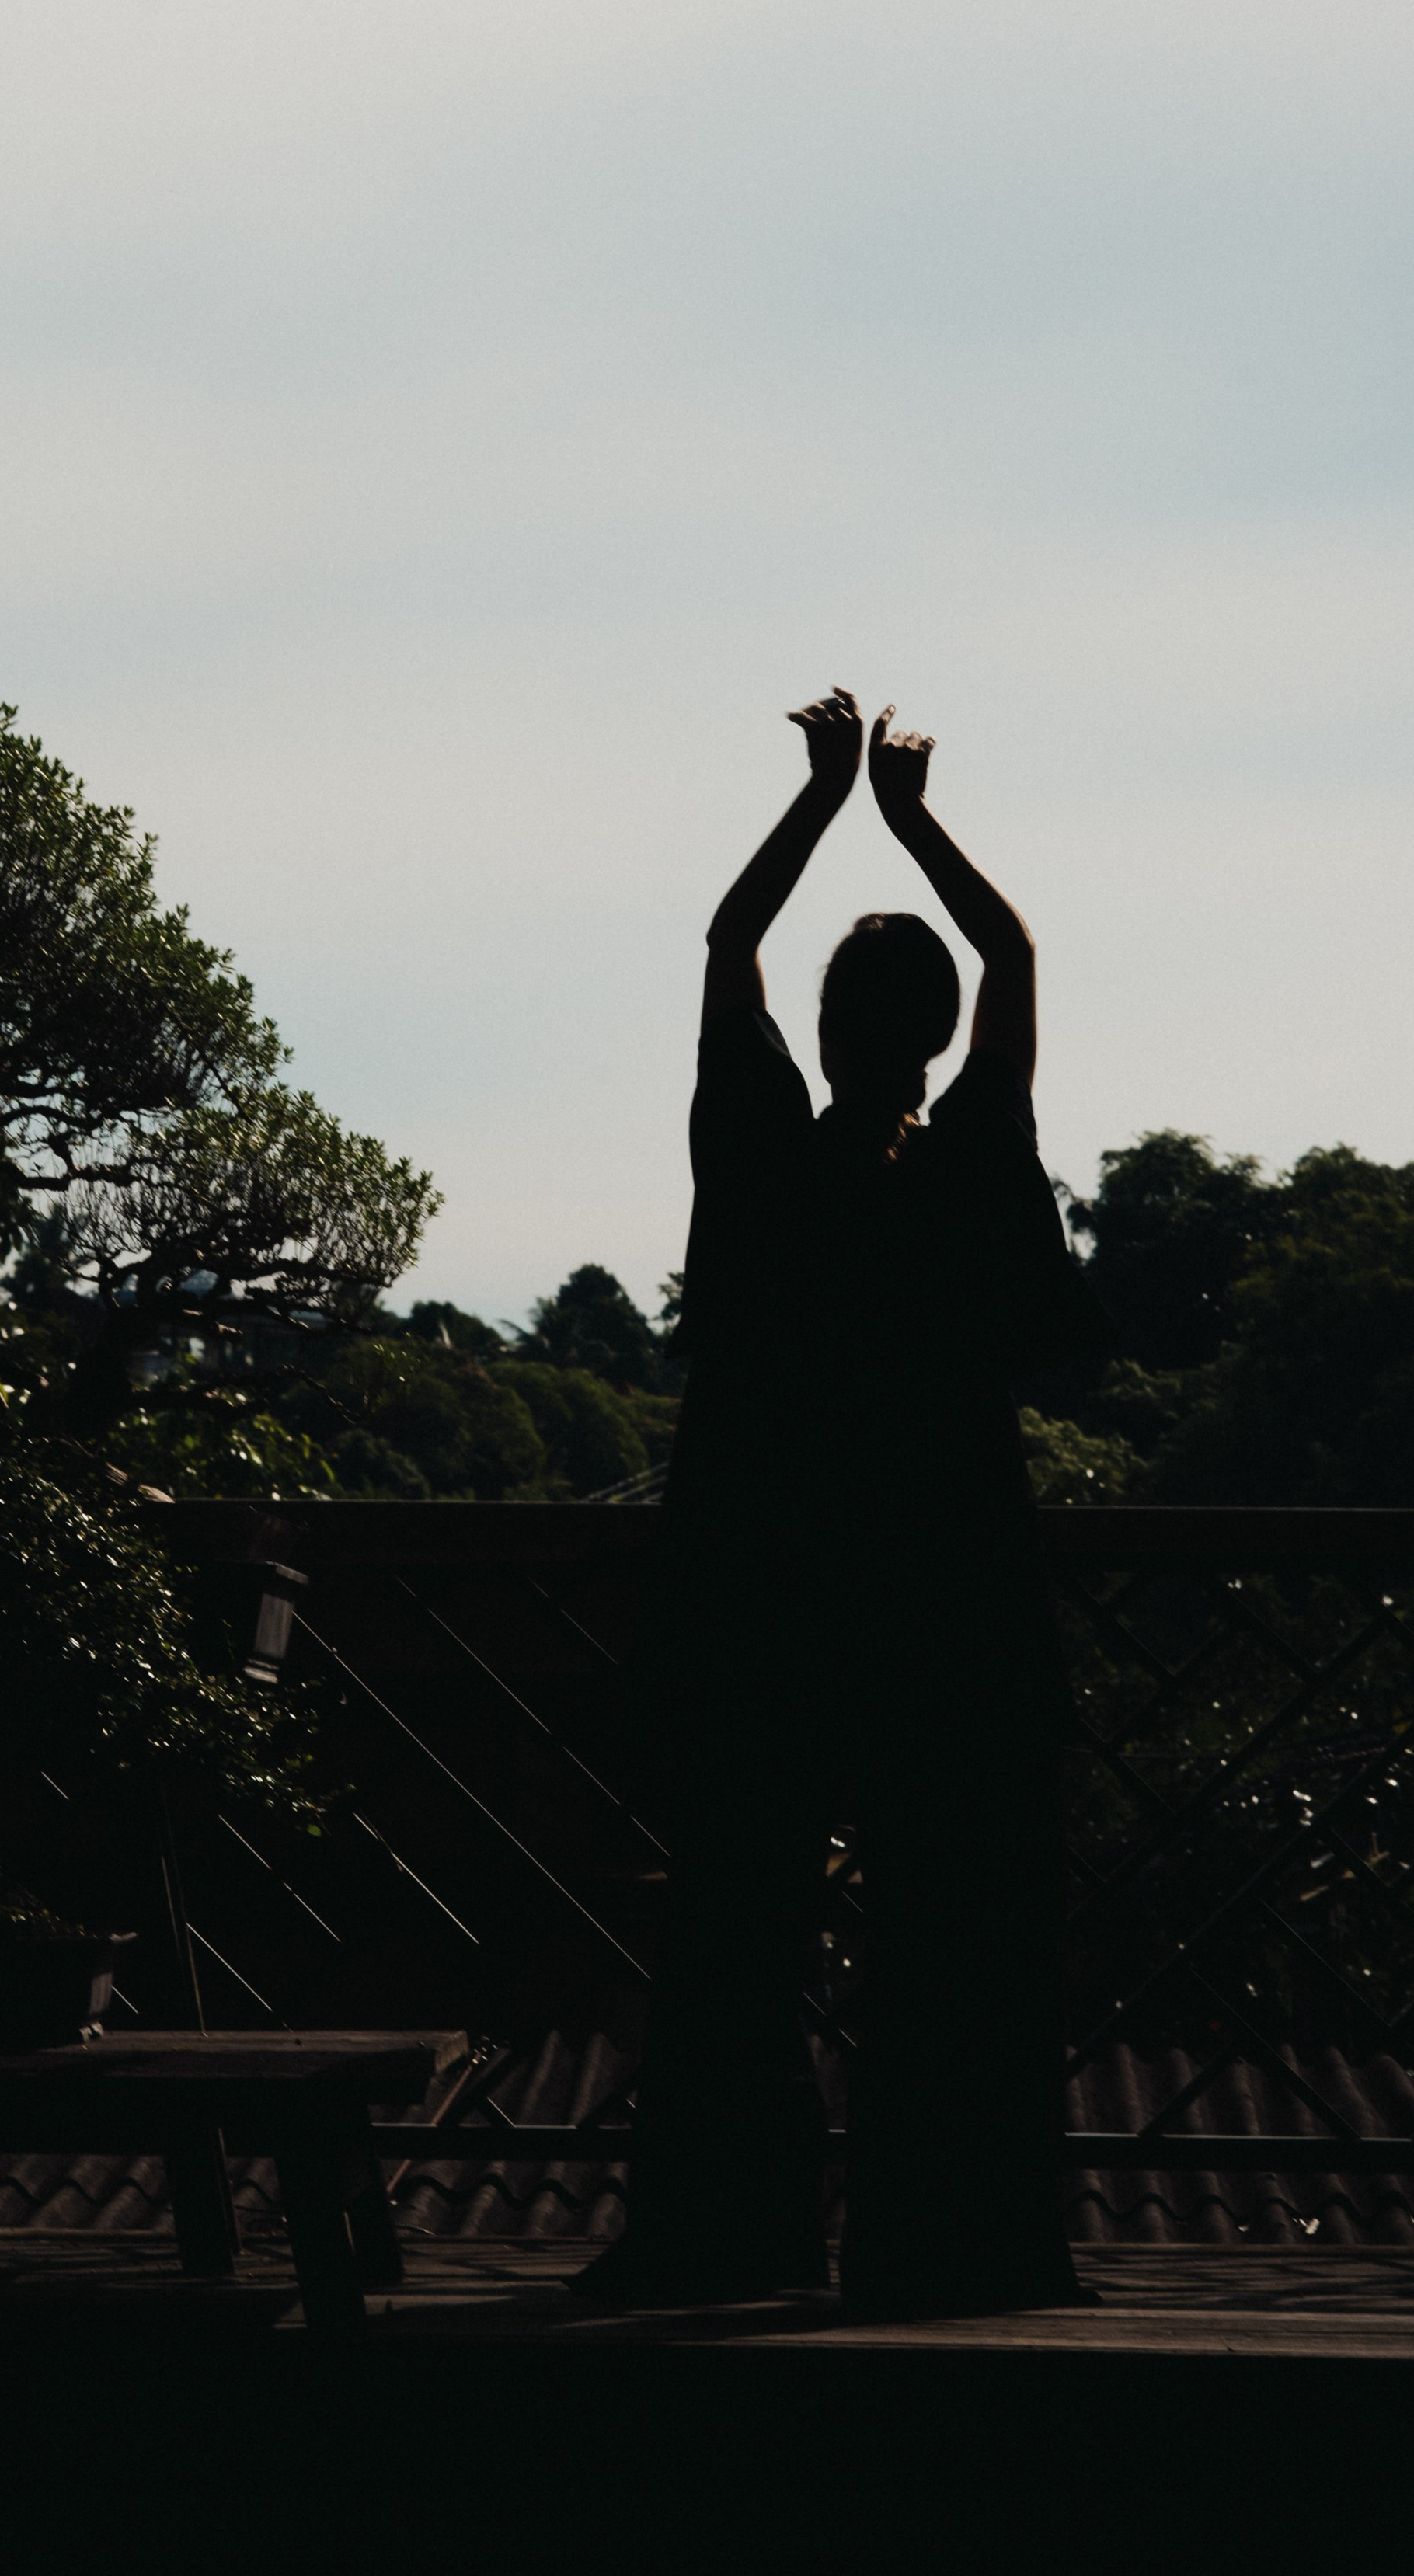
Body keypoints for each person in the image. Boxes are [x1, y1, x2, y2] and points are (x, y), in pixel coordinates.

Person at [583, 687, 1109, 2321]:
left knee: (734, 1923)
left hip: (758, 1587)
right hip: (945, 1591)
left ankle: (718, 2229)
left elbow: (726, 937)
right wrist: (909, 817)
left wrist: (819, 802)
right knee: (954, 1923)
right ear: (938, 1037)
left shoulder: (752, 1153)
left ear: (820, 1030)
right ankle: (945, 2238)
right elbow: (1013, 962)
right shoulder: (966, 1160)